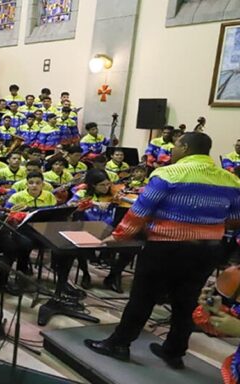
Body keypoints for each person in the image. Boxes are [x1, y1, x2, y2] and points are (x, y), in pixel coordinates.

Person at [86, 132, 240, 369]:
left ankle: (119, 344)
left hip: (165, 248)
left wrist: (117, 237)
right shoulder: (229, 180)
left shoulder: (168, 174)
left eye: (176, 145)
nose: (172, 149)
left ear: (186, 147)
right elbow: (234, 218)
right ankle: (174, 352)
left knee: (143, 297)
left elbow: (140, 211)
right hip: (207, 250)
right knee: (186, 301)